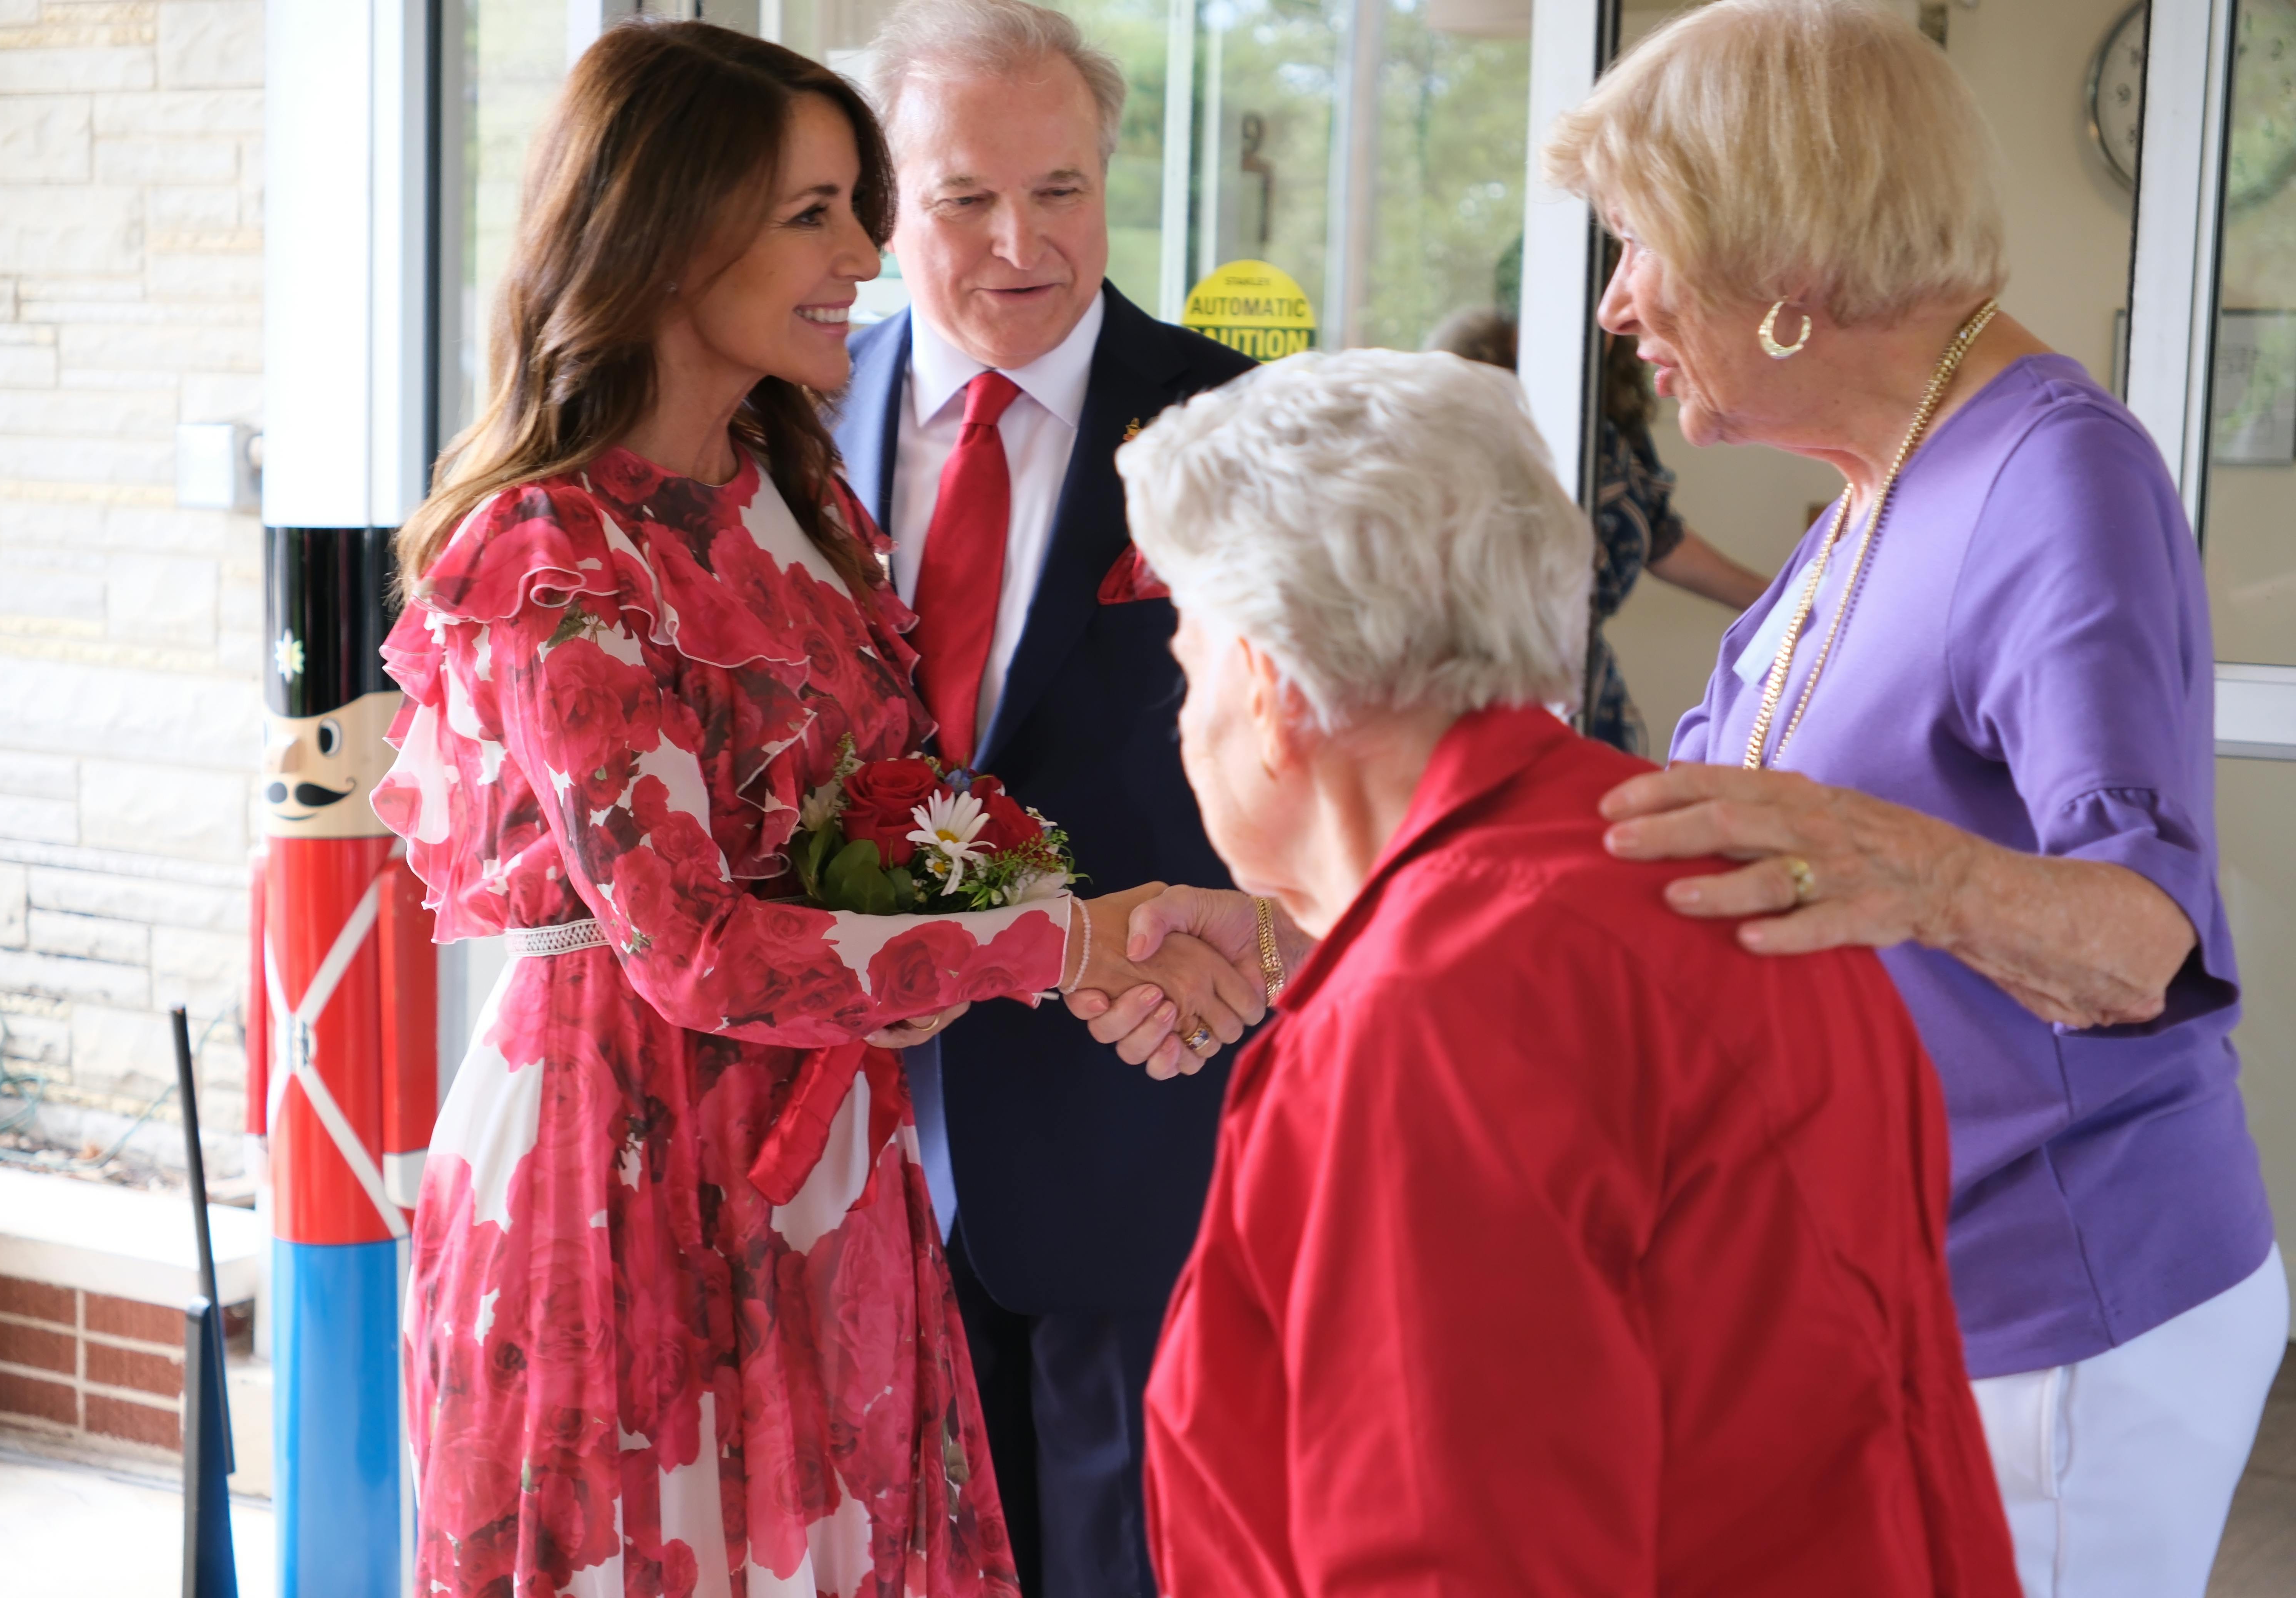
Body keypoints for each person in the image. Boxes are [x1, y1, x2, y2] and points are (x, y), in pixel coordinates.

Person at [370, 23, 1254, 1594]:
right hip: (618, 1171)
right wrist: (1064, 944)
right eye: (817, 214)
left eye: (858, 206)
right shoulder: (545, 549)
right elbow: (695, 947)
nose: (870, 251)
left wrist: (1138, 938)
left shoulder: (800, 493)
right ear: (665, 230)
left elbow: (906, 822)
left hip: (838, 1163)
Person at [1543, 2, 2287, 1593]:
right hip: (1890, 1274)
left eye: (1639, 242)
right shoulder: (1876, 482)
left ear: (1783, 257)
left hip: (2060, 1312)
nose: (1618, 303)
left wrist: (1911, 870)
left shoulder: (2052, 475)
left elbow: (2139, 940)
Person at [1111, 346, 2020, 1595]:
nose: (1183, 711)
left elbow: (1442, 1557)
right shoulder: (1702, 862)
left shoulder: (1431, 1018)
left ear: (1269, 690)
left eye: (1188, 658)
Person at [831, 4, 1257, 1593]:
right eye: (964, 200)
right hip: (841, 1147)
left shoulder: (1241, 428)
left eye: (1062, 190)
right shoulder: (779, 425)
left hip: (1135, 1123)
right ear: (885, 201)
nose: (1024, 244)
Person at [1426, 303, 1769, 754]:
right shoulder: (1474, 443)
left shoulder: (1608, 425)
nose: (1611, 314)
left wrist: (1781, 603)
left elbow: (1660, 538)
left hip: (1586, 683)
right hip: (1492, 683)